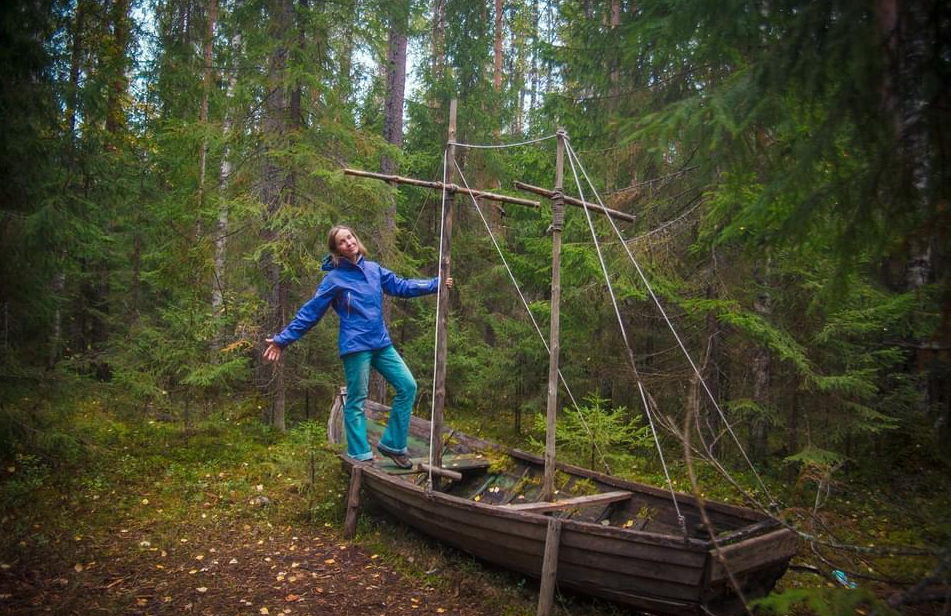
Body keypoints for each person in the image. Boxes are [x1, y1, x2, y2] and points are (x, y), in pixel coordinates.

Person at [263, 225, 452, 469]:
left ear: (356, 238)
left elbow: (402, 286)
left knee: (407, 386)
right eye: (342, 242)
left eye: (350, 237)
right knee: (357, 399)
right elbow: (310, 312)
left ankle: (393, 445)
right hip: (355, 346)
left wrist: (436, 284)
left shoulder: (373, 269)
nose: (349, 243)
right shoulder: (334, 279)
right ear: (336, 250)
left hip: (381, 343)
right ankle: (360, 455)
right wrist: (282, 340)